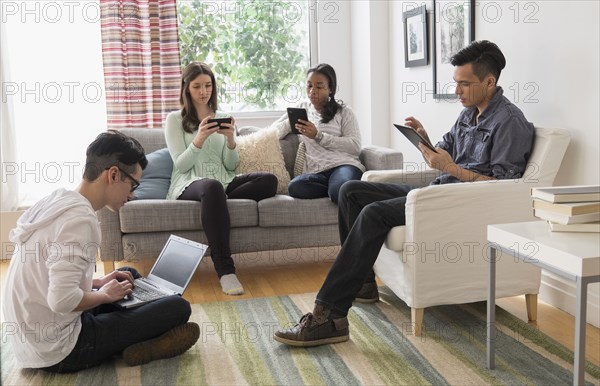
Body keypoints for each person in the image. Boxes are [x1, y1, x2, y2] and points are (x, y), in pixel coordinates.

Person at [274, 40, 535, 347]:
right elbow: (444, 151)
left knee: (373, 212)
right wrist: (424, 140)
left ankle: (329, 316)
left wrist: (451, 169)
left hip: (456, 206)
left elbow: (500, 189)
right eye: (456, 83)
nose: (457, 91)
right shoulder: (468, 113)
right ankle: (363, 284)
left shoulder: (510, 123)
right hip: (438, 191)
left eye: (465, 84)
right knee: (351, 190)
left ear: (490, 81)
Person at [2, 130, 200, 372]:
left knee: (127, 274)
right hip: (61, 350)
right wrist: (105, 295)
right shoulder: (80, 221)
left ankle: (140, 326)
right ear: (114, 175)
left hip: (34, 338)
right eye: (133, 184)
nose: (133, 194)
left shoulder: (58, 200)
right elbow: (62, 300)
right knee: (178, 308)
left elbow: (52, 277)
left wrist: (98, 283)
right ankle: (147, 342)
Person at [165, 62, 278, 296]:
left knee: (269, 181)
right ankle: (225, 270)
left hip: (221, 181)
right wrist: (199, 139)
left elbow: (230, 165)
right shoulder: (174, 120)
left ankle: (216, 199)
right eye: (197, 86)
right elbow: (181, 164)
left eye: (208, 85)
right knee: (213, 186)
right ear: (186, 88)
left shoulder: (223, 116)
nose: (203, 91)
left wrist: (230, 140)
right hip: (190, 181)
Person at [271, 63, 364, 204]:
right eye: (309, 85)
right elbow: (273, 132)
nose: (312, 91)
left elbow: (355, 146)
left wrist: (318, 136)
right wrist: (290, 123)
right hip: (316, 173)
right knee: (295, 187)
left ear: (331, 89)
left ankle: (338, 187)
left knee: (338, 190)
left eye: (319, 87)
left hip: (343, 165)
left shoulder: (344, 112)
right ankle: (335, 187)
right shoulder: (302, 109)